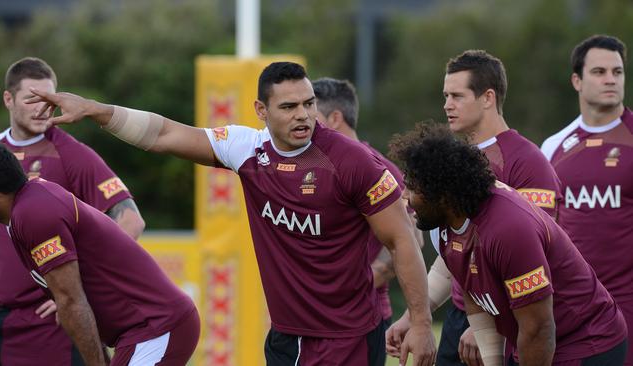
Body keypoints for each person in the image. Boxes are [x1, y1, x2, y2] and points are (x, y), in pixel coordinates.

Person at [26, 62, 436, 366]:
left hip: (347, 338)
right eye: (290, 106)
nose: (303, 115)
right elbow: (165, 133)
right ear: (261, 110)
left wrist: (419, 322)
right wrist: (95, 109)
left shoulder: (353, 162)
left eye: (309, 104)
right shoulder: (247, 149)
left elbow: (401, 239)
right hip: (285, 337)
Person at [390, 121, 628, 365]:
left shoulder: (508, 229)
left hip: (585, 341)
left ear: (442, 194)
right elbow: (475, 295)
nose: (405, 196)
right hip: (539, 337)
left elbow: (539, 328)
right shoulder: (446, 224)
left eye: (412, 187)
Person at [388, 50, 562, 366]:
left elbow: (537, 259)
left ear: (487, 98)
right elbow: (452, 253)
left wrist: (490, 326)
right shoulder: (456, 161)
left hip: (506, 322)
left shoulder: (528, 162)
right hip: (463, 316)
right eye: (445, 96)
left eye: (457, 95)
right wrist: (416, 315)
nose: (446, 105)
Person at [0, 57, 145, 366]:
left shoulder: (72, 154)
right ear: (8, 99)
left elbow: (130, 220)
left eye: (50, 100)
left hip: (53, 323)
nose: (43, 108)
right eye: (33, 99)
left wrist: (77, 287)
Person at [0, 142, 200, 365]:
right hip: (142, 330)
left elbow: (71, 300)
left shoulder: (33, 213)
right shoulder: (27, 206)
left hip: (155, 327)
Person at [541, 34, 633, 366]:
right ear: (577, 80)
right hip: (573, 309)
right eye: (599, 72)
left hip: (628, 305)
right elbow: (542, 231)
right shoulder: (552, 147)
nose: (611, 79)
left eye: (618, 72)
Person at [311, 77, 424, 341]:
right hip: (313, 319)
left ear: (335, 118)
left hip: (361, 319)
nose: (303, 123)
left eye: (311, 113)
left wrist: (349, 290)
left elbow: (412, 239)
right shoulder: (311, 169)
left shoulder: (379, 170)